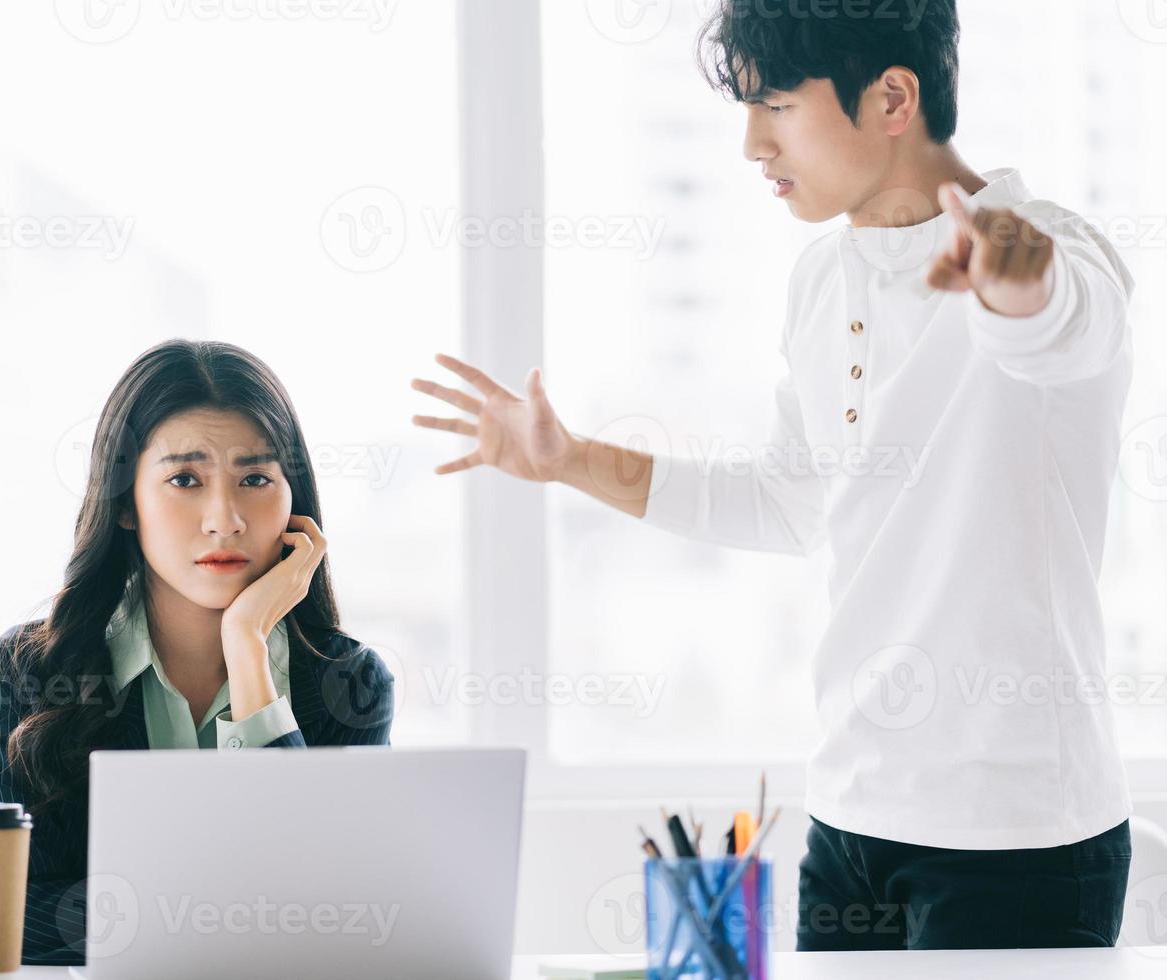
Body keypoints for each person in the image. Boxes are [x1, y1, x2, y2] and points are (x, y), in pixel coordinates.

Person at [413, 0, 1135, 952]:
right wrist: (571, 461)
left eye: (779, 105)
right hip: (850, 819)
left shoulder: (1053, 249)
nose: (753, 143)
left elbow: (1061, 323)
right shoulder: (819, 283)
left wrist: (1012, 279)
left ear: (891, 98)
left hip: (1017, 833)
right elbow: (791, 505)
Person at [0, 339, 394, 964]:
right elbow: (4, 918)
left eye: (254, 478)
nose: (224, 519)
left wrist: (248, 647)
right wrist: (232, 914)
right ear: (125, 506)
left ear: (293, 500)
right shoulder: (23, 676)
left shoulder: (350, 683)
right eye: (184, 480)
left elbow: (339, 917)